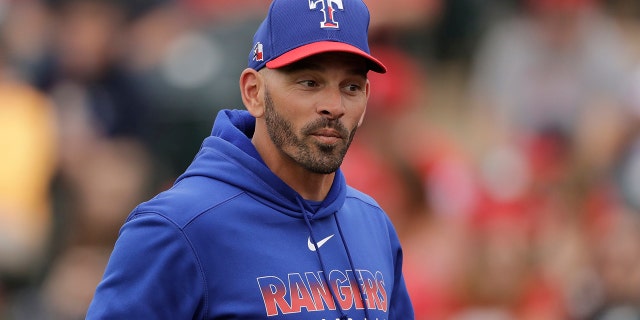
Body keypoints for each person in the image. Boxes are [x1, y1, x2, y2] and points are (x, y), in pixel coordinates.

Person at [85, 0, 415, 319]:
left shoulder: (374, 224)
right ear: (253, 93)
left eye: (351, 87)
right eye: (309, 83)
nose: (334, 105)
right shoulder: (177, 228)